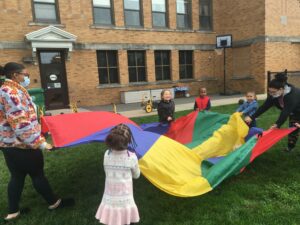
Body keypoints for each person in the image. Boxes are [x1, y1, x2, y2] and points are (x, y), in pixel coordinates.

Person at [0, 62, 74, 222]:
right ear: (15, 75)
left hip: (9, 145)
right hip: (22, 145)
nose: (27, 77)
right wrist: (41, 143)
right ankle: (54, 203)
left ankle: (13, 212)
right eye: (25, 74)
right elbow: (20, 123)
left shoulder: (9, 89)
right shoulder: (11, 92)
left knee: (17, 176)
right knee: (37, 174)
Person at [95, 124, 140, 225]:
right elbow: (136, 175)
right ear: (128, 140)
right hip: (126, 201)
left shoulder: (107, 154)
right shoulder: (132, 157)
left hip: (109, 199)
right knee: (126, 220)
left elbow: (106, 171)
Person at [245, 72, 300, 152]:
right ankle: (290, 148)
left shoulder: (292, 95)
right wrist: (251, 117)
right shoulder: (274, 95)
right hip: (294, 112)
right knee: (294, 128)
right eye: (270, 92)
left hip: (296, 110)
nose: (271, 94)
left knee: (296, 126)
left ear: (281, 89)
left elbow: (285, 111)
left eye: (273, 92)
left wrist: (277, 124)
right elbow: (264, 107)